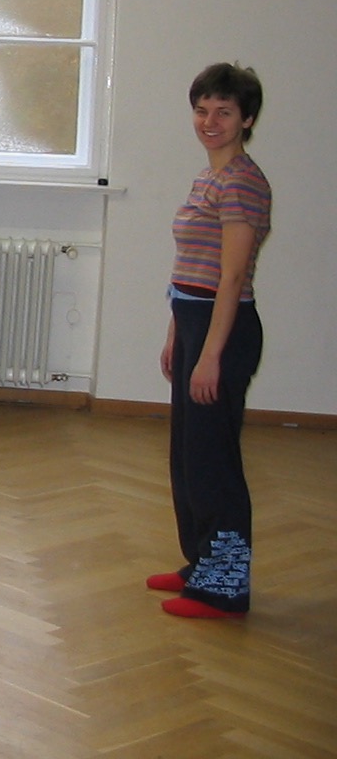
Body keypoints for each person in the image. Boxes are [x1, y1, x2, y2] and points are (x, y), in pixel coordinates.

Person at [149, 63, 271, 620]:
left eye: (224, 111)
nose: (210, 121)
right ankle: (201, 563)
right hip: (195, 321)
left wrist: (211, 356)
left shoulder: (243, 181)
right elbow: (190, 267)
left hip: (224, 331)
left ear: (246, 118)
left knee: (214, 463)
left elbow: (230, 277)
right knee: (189, 458)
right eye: (202, 110)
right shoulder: (210, 176)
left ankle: (225, 588)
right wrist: (178, 333)